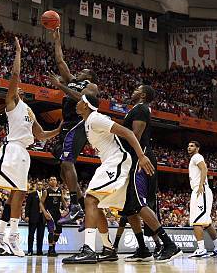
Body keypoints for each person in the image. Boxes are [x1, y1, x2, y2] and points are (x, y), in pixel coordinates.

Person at [0, 37, 62, 257]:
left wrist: (58, 130)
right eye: (16, 87)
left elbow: (40, 134)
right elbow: (15, 75)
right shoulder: (12, 104)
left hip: (24, 153)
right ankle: (12, 237)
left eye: (19, 88)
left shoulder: (29, 110)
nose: (18, 87)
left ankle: (0, 235)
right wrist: (19, 53)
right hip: (13, 150)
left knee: (14, 196)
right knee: (19, 194)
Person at [62, 93, 155, 264]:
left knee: (90, 199)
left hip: (116, 161)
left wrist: (141, 156)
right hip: (108, 162)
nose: (76, 104)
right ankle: (108, 248)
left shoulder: (96, 118)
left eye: (80, 102)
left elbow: (128, 132)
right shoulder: (88, 122)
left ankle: (88, 250)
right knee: (96, 205)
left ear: (86, 105)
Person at [118, 85, 182, 262]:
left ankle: (169, 245)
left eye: (136, 89)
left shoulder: (141, 109)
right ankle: (143, 249)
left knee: (139, 204)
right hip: (134, 159)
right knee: (129, 209)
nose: (133, 91)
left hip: (141, 159)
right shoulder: (136, 109)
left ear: (143, 95)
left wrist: (116, 135)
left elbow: (135, 136)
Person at [48, 28, 99, 225]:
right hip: (67, 124)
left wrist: (60, 86)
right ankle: (81, 207)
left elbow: (82, 99)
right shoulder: (72, 81)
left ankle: (75, 207)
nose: (78, 72)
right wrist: (57, 40)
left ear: (89, 77)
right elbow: (61, 62)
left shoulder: (91, 87)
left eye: (83, 71)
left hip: (78, 124)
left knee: (67, 163)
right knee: (62, 167)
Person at [186, 141, 217, 258]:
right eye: (188, 146)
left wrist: (200, 185)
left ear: (197, 148)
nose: (189, 147)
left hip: (200, 190)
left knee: (195, 221)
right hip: (201, 190)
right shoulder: (193, 158)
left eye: (192, 146)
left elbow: (204, 169)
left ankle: (201, 249)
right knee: (206, 222)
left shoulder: (197, 156)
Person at [41, 176, 66, 256]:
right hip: (49, 212)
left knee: (58, 232)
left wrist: (67, 209)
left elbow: (63, 200)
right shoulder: (46, 191)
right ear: (49, 182)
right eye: (51, 179)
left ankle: (53, 248)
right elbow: (41, 203)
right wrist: (45, 212)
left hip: (58, 213)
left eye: (54, 179)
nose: (53, 181)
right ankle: (50, 249)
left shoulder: (60, 190)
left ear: (56, 181)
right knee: (51, 231)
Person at [25, 182, 46, 256]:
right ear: (36, 186)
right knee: (31, 235)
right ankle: (30, 251)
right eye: (38, 184)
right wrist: (27, 216)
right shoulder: (31, 194)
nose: (40, 186)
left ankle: (39, 251)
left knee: (40, 235)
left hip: (42, 218)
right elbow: (27, 206)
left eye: (41, 184)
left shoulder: (45, 194)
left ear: (43, 186)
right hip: (33, 217)